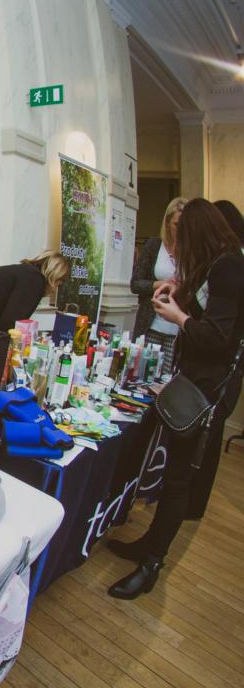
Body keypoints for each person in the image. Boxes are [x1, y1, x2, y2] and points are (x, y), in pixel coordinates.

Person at [106, 198, 244, 599]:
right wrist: (180, 290)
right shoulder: (217, 265)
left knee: (179, 476)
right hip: (193, 379)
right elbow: (207, 309)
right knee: (170, 472)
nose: (178, 246)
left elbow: (216, 338)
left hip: (207, 389)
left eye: (183, 237)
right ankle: (149, 545)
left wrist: (177, 317)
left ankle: (152, 565)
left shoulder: (229, 267)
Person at [130, 197, 186, 369]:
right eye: (177, 224)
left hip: (177, 330)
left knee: (167, 377)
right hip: (151, 324)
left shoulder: (192, 251)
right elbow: (135, 284)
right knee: (141, 371)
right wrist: (160, 284)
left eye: (185, 225)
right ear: (167, 223)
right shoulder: (154, 245)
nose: (181, 230)